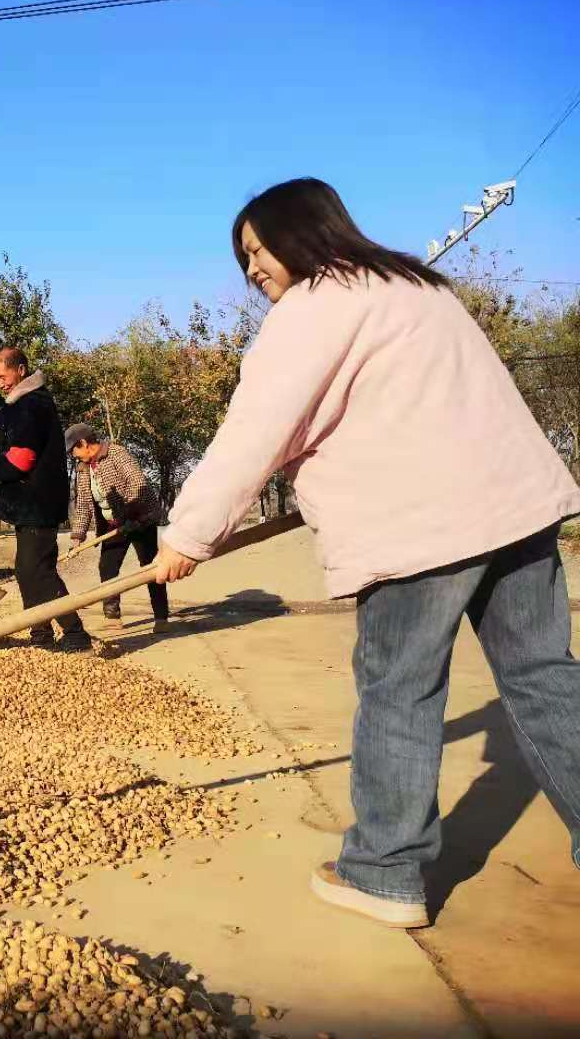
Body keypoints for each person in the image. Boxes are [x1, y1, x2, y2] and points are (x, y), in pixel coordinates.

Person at [154, 177, 580, 929]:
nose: (252, 269)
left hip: (421, 527)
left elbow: (255, 432)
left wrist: (187, 539)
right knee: (544, 677)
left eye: (256, 249)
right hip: (515, 509)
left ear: (301, 232)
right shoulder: (417, 287)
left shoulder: (312, 310)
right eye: (243, 258)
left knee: (399, 690)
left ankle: (384, 873)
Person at [0, 348, 92, 652]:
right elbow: (11, 424)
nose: (0, 382)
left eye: (3, 377)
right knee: (28, 569)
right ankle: (41, 635)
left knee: (39, 571)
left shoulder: (34, 403)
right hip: (32, 502)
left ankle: (75, 634)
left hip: (38, 502)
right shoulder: (24, 402)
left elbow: (19, 460)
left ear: (20, 370)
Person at [65, 423, 168, 633]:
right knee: (107, 567)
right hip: (114, 525)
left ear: (84, 443)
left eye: (73, 450)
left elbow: (137, 483)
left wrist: (130, 514)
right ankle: (112, 616)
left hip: (140, 518)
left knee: (150, 567)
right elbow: (84, 502)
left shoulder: (116, 453)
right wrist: (78, 536)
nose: (73, 456)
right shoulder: (84, 469)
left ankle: (161, 617)